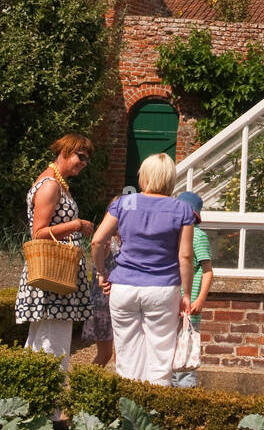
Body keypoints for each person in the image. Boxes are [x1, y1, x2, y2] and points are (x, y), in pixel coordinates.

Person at [91, 153, 194, 387]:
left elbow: (97, 241)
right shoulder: (182, 209)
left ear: (144, 176)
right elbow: (185, 256)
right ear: (170, 179)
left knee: (126, 356)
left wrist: (101, 272)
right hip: (162, 288)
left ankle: (126, 415)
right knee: (160, 357)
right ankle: (154, 415)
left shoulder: (125, 203)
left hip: (124, 287)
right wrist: (186, 295)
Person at [15, 135, 94, 376]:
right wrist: (77, 224)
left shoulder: (56, 182)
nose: (84, 163)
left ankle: (34, 402)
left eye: (87, 159)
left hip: (55, 273)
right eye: (81, 156)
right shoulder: (50, 185)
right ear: (65, 151)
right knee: (53, 343)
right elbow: (38, 232)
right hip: (53, 277)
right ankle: (49, 408)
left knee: (44, 341)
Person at [170, 190, 212, 389]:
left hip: (189, 307)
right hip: (171, 304)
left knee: (186, 355)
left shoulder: (198, 236)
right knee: (169, 353)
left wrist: (200, 299)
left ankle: (185, 398)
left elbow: (207, 271)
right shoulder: (174, 235)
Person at [80, 198, 122, 367]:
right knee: (105, 354)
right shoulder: (105, 237)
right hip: (104, 299)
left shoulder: (131, 237)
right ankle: (84, 387)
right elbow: (99, 254)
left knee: (122, 353)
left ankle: (122, 388)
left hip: (121, 297)